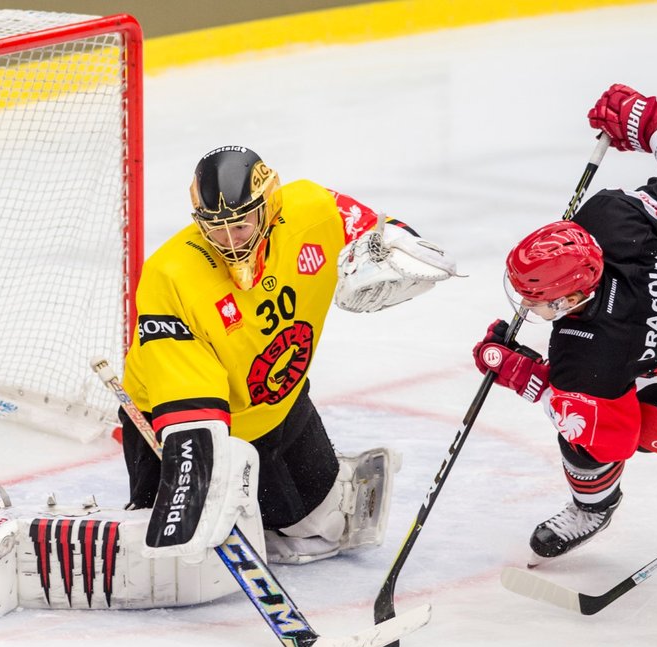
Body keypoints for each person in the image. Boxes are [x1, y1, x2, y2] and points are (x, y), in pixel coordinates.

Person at [121, 145, 458, 565]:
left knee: (328, 530)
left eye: (241, 224)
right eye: (215, 228)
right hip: (187, 423)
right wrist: (200, 478)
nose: (229, 240)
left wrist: (397, 237)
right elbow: (190, 401)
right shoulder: (170, 277)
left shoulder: (310, 210)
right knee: (181, 551)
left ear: (270, 205)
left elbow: (369, 227)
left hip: (282, 403)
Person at [472, 84, 657, 563]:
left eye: (540, 301)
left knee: (605, 439)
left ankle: (592, 508)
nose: (528, 305)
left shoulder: (588, 356)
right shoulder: (612, 219)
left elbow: (608, 437)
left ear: (575, 296)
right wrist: (652, 124)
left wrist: (529, 378)